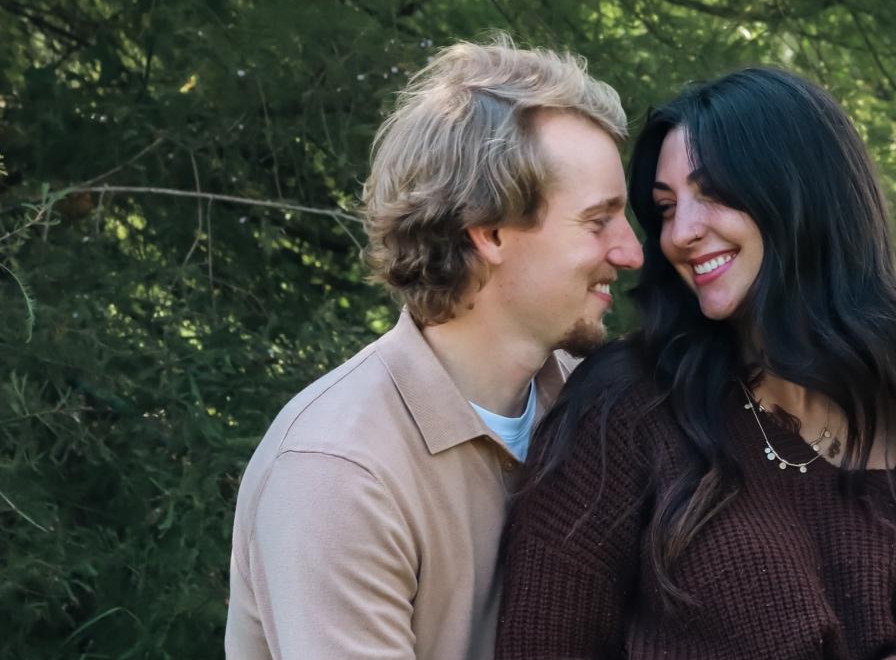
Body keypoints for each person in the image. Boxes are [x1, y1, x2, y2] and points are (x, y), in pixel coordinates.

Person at [496, 66, 896, 660]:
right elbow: (543, 644)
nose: (680, 233)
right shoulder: (627, 405)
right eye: (665, 208)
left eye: (713, 193)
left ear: (801, 194)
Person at [225, 38, 643, 660]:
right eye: (597, 221)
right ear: (490, 232)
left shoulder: (603, 406)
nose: (632, 252)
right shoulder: (338, 473)